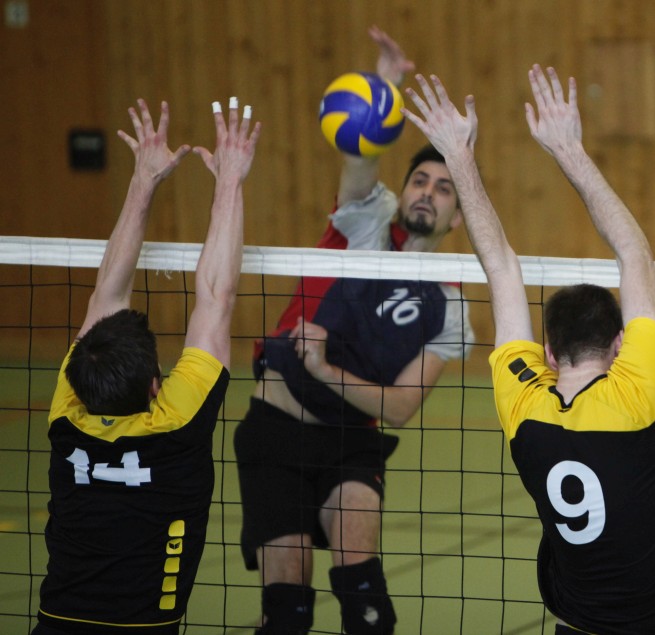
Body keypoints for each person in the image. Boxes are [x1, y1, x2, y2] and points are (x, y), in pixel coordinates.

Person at [402, 67, 655, 634]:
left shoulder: (526, 408)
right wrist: (569, 149)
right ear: (620, 344)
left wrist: (459, 157)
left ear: (546, 350)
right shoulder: (640, 396)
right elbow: (634, 251)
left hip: (574, 625)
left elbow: (500, 267)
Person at [234, 26, 474, 635]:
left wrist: (327, 370)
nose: (427, 193)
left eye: (444, 188)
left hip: (351, 443)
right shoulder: (365, 220)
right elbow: (360, 156)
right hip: (277, 428)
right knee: (287, 612)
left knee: (367, 606)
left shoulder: (450, 305)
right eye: (420, 181)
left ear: (458, 215)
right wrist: (380, 93)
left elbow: (401, 407)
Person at [33, 97, 261, 634]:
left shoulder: (68, 419)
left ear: (78, 379)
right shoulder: (176, 425)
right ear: (157, 387)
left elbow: (104, 297)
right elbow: (216, 295)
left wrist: (143, 179)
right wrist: (230, 179)